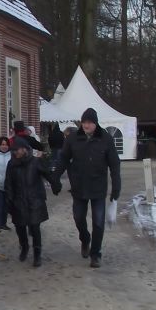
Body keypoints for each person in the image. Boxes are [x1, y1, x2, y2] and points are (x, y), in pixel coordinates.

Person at [59, 108, 121, 269]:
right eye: (84, 122)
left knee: (98, 222)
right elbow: (63, 159)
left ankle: (96, 254)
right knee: (79, 218)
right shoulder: (73, 138)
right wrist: (55, 179)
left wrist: (116, 187)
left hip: (98, 187)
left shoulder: (105, 139)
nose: (86, 125)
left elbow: (114, 165)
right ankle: (85, 239)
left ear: (95, 123)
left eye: (89, 122)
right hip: (79, 187)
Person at [3, 136, 61, 268]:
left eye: (17, 150)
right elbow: (9, 184)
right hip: (18, 201)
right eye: (14, 150)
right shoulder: (11, 164)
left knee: (35, 228)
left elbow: (47, 174)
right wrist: (9, 200)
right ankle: (24, 247)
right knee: (20, 228)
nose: (15, 152)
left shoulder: (35, 162)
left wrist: (55, 184)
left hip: (34, 200)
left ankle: (37, 254)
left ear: (24, 149)